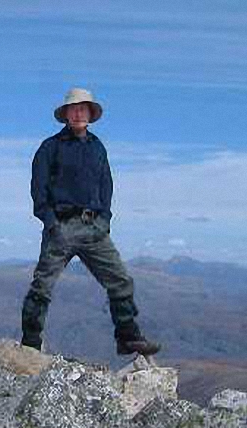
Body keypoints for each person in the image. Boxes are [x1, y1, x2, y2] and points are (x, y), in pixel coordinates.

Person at [21, 87, 161, 356]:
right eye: (73, 109)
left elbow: (106, 184)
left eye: (83, 108)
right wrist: (50, 221)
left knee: (120, 280)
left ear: (90, 113)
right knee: (42, 286)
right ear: (65, 115)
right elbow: (38, 188)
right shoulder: (50, 147)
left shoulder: (97, 147)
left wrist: (104, 218)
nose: (78, 113)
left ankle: (128, 337)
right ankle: (29, 346)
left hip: (93, 227)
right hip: (61, 226)